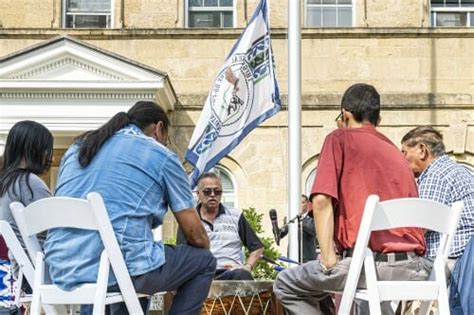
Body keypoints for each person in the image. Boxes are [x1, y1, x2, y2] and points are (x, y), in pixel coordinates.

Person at [43, 101, 216, 315]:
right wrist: (205, 247)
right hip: (117, 268)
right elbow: (195, 235)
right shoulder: (159, 155)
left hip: (62, 268)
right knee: (203, 261)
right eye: (166, 139)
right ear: (158, 129)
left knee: (130, 260)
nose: (165, 143)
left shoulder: (79, 148)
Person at [273, 83, 430, 314]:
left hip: (368, 266)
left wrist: (328, 258)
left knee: (286, 284)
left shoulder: (339, 139)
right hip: (415, 268)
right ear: (379, 119)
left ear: (345, 114)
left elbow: (321, 200)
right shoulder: (397, 154)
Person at [401, 126, 474, 314]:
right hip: (464, 260)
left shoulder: (435, 174)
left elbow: (421, 226)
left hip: (449, 260)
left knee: (381, 273)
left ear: (422, 150)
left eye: (404, 152)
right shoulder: (458, 170)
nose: (402, 159)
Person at [177, 172, 263, 280]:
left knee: (243, 275)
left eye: (217, 191)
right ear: (198, 193)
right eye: (207, 191)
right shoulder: (189, 219)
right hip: (200, 274)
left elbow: (257, 247)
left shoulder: (236, 216)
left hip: (230, 272)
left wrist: (248, 266)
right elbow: (180, 255)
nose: (213, 195)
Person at [0, 121, 53, 283]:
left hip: (21, 270)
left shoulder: (5, 183)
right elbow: (55, 227)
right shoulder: (29, 182)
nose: (47, 156)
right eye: (46, 149)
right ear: (34, 149)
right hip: (42, 270)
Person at [279, 194, 318, 263]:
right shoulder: (292, 218)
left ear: (308, 204)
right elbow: (281, 234)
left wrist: (299, 221)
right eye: (297, 203)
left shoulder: (313, 216)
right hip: (292, 257)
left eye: (302, 203)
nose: (299, 205)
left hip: (307, 257)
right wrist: (276, 227)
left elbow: (312, 230)